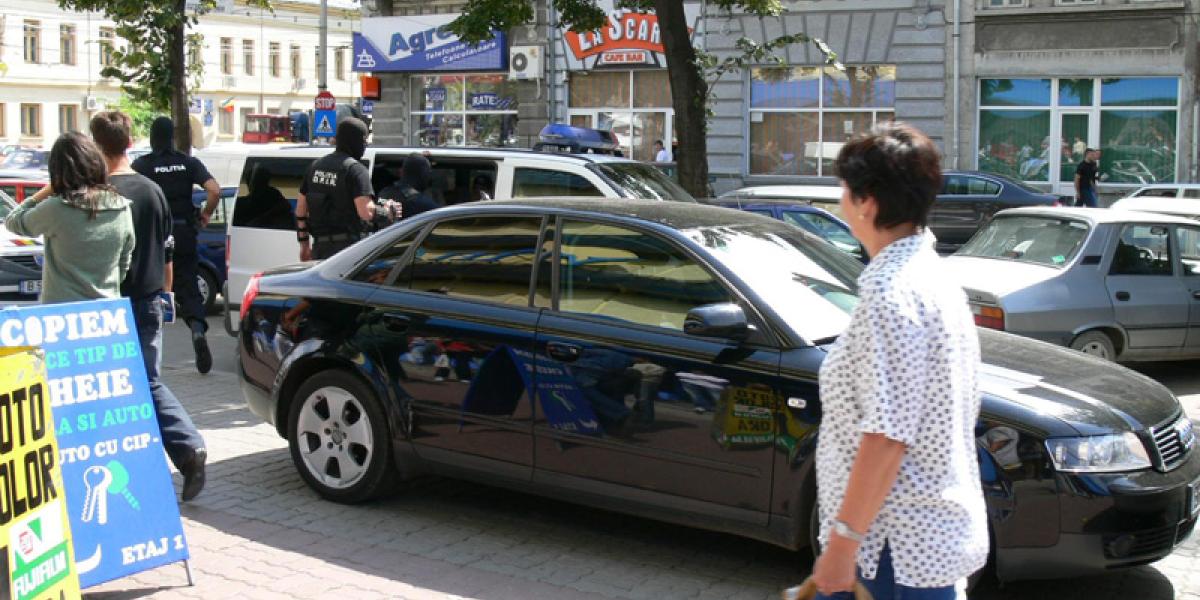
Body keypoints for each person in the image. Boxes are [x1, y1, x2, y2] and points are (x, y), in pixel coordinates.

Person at [811, 122, 987, 599]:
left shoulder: (892, 294)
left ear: (866, 202)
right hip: (921, 542)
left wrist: (843, 544)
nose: (840, 201)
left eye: (844, 190)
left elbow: (887, 435)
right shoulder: (930, 276)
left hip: (891, 548)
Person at [91, 110, 207, 501]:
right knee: (147, 380)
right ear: (128, 142)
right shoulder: (152, 190)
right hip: (150, 298)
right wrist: (166, 294)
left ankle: (171, 452)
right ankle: (181, 451)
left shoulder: (99, 192)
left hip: (110, 303)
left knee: (113, 386)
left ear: (97, 145)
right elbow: (166, 248)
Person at [133, 117, 222, 374]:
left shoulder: (142, 165)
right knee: (188, 287)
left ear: (152, 138)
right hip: (183, 233)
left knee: (147, 288)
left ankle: (148, 348)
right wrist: (206, 214)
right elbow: (214, 190)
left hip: (154, 236)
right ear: (172, 137)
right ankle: (197, 329)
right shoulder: (188, 162)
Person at [5, 133, 134, 304]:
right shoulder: (121, 207)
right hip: (106, 311)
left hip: (62, 312)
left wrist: (44, 192)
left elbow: (13, 221)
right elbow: (124, 263)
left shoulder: (56, 208)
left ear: (57, 170)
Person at [296, 117, 399, 260]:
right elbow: (366, 212)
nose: (365, 146)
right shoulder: (355, 170)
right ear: (357, 141)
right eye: (364, 141)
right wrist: (388, 211)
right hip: (347, 252)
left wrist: (304, 246)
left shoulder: (314, 167)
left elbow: (300, 211)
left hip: (320, 249)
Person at [380, 153, 438, 217]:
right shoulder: (425, 205)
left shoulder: (385, 193)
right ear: (423, 175)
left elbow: (377, 214)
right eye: (428, 173)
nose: (429, 178)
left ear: (402, 172)